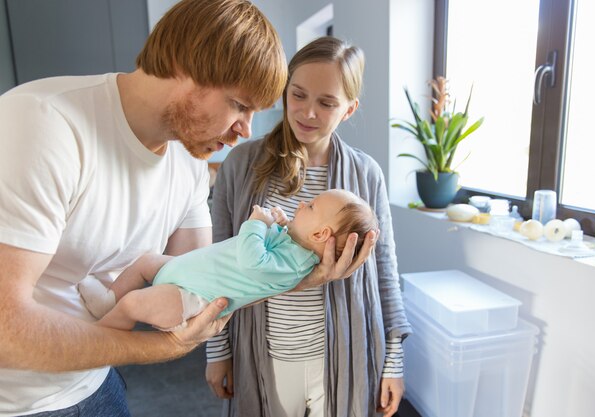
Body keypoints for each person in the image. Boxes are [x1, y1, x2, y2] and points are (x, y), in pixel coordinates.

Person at [0, 1, 376, 415]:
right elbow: (6, 330)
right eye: (239, 104)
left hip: (97, 379)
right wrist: (160, 348)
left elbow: (205, 277)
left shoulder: (188, 161)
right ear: (186, 68)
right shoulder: (43, 123)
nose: (245, 130)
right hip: (24, 402)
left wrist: (295, 277)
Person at [205, 36, 411, 417]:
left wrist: (393, 362)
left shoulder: (365, 175)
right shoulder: (241, 165)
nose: (308, 113)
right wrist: (218, 351)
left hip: (342, 354)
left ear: (349, 110)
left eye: (327, 103)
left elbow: (385, 272)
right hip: (264, 351)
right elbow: (218, 262)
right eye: (298, 95)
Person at [78, 189, 378, 331]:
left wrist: (256, 223)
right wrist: (282, 223)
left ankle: (102, 331)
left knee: (134, 304)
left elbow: (253, 261)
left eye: (310, 206)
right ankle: (108, 299)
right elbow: (276, 245)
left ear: (320, 234)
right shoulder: (294, 244)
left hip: (192, 298)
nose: (302, 203)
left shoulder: (295, 266)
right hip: (186, 273)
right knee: (146, 261)